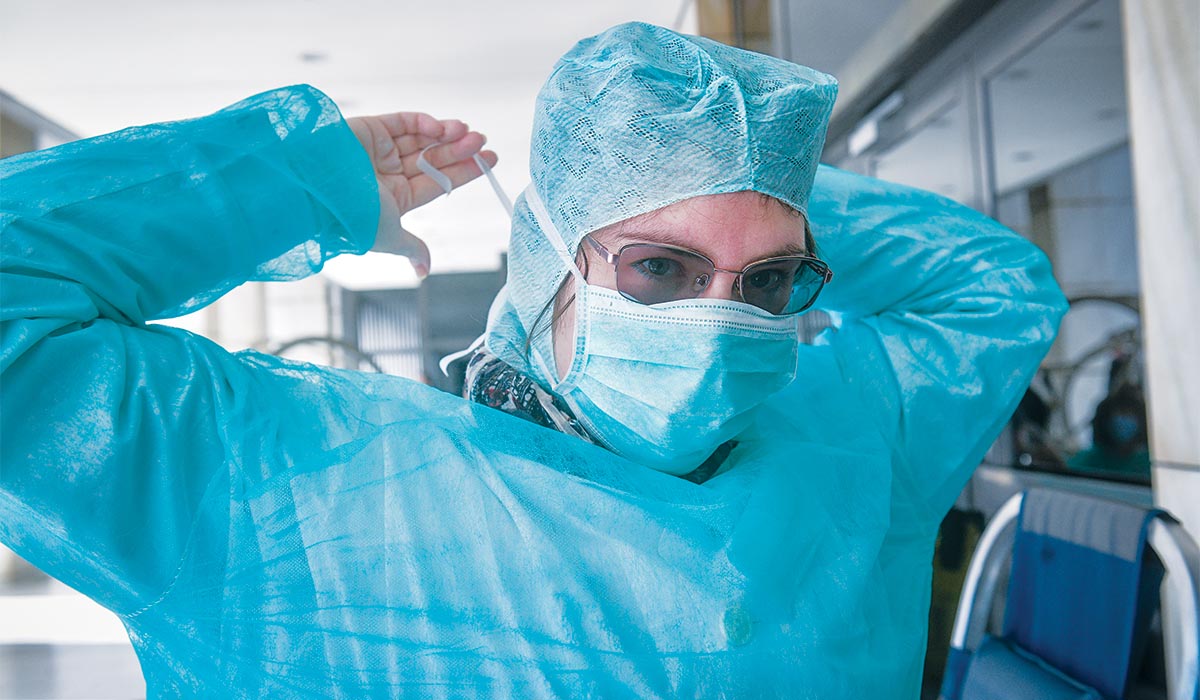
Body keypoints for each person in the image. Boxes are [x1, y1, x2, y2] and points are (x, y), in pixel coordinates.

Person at [0, 22, 1066, 698]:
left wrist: (752, 170)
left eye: (771, 280)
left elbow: (997, 288)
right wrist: (294, 180)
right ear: (546, 254)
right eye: (660, 266)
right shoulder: (277, 481)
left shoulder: (848, 447)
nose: (719, 324)